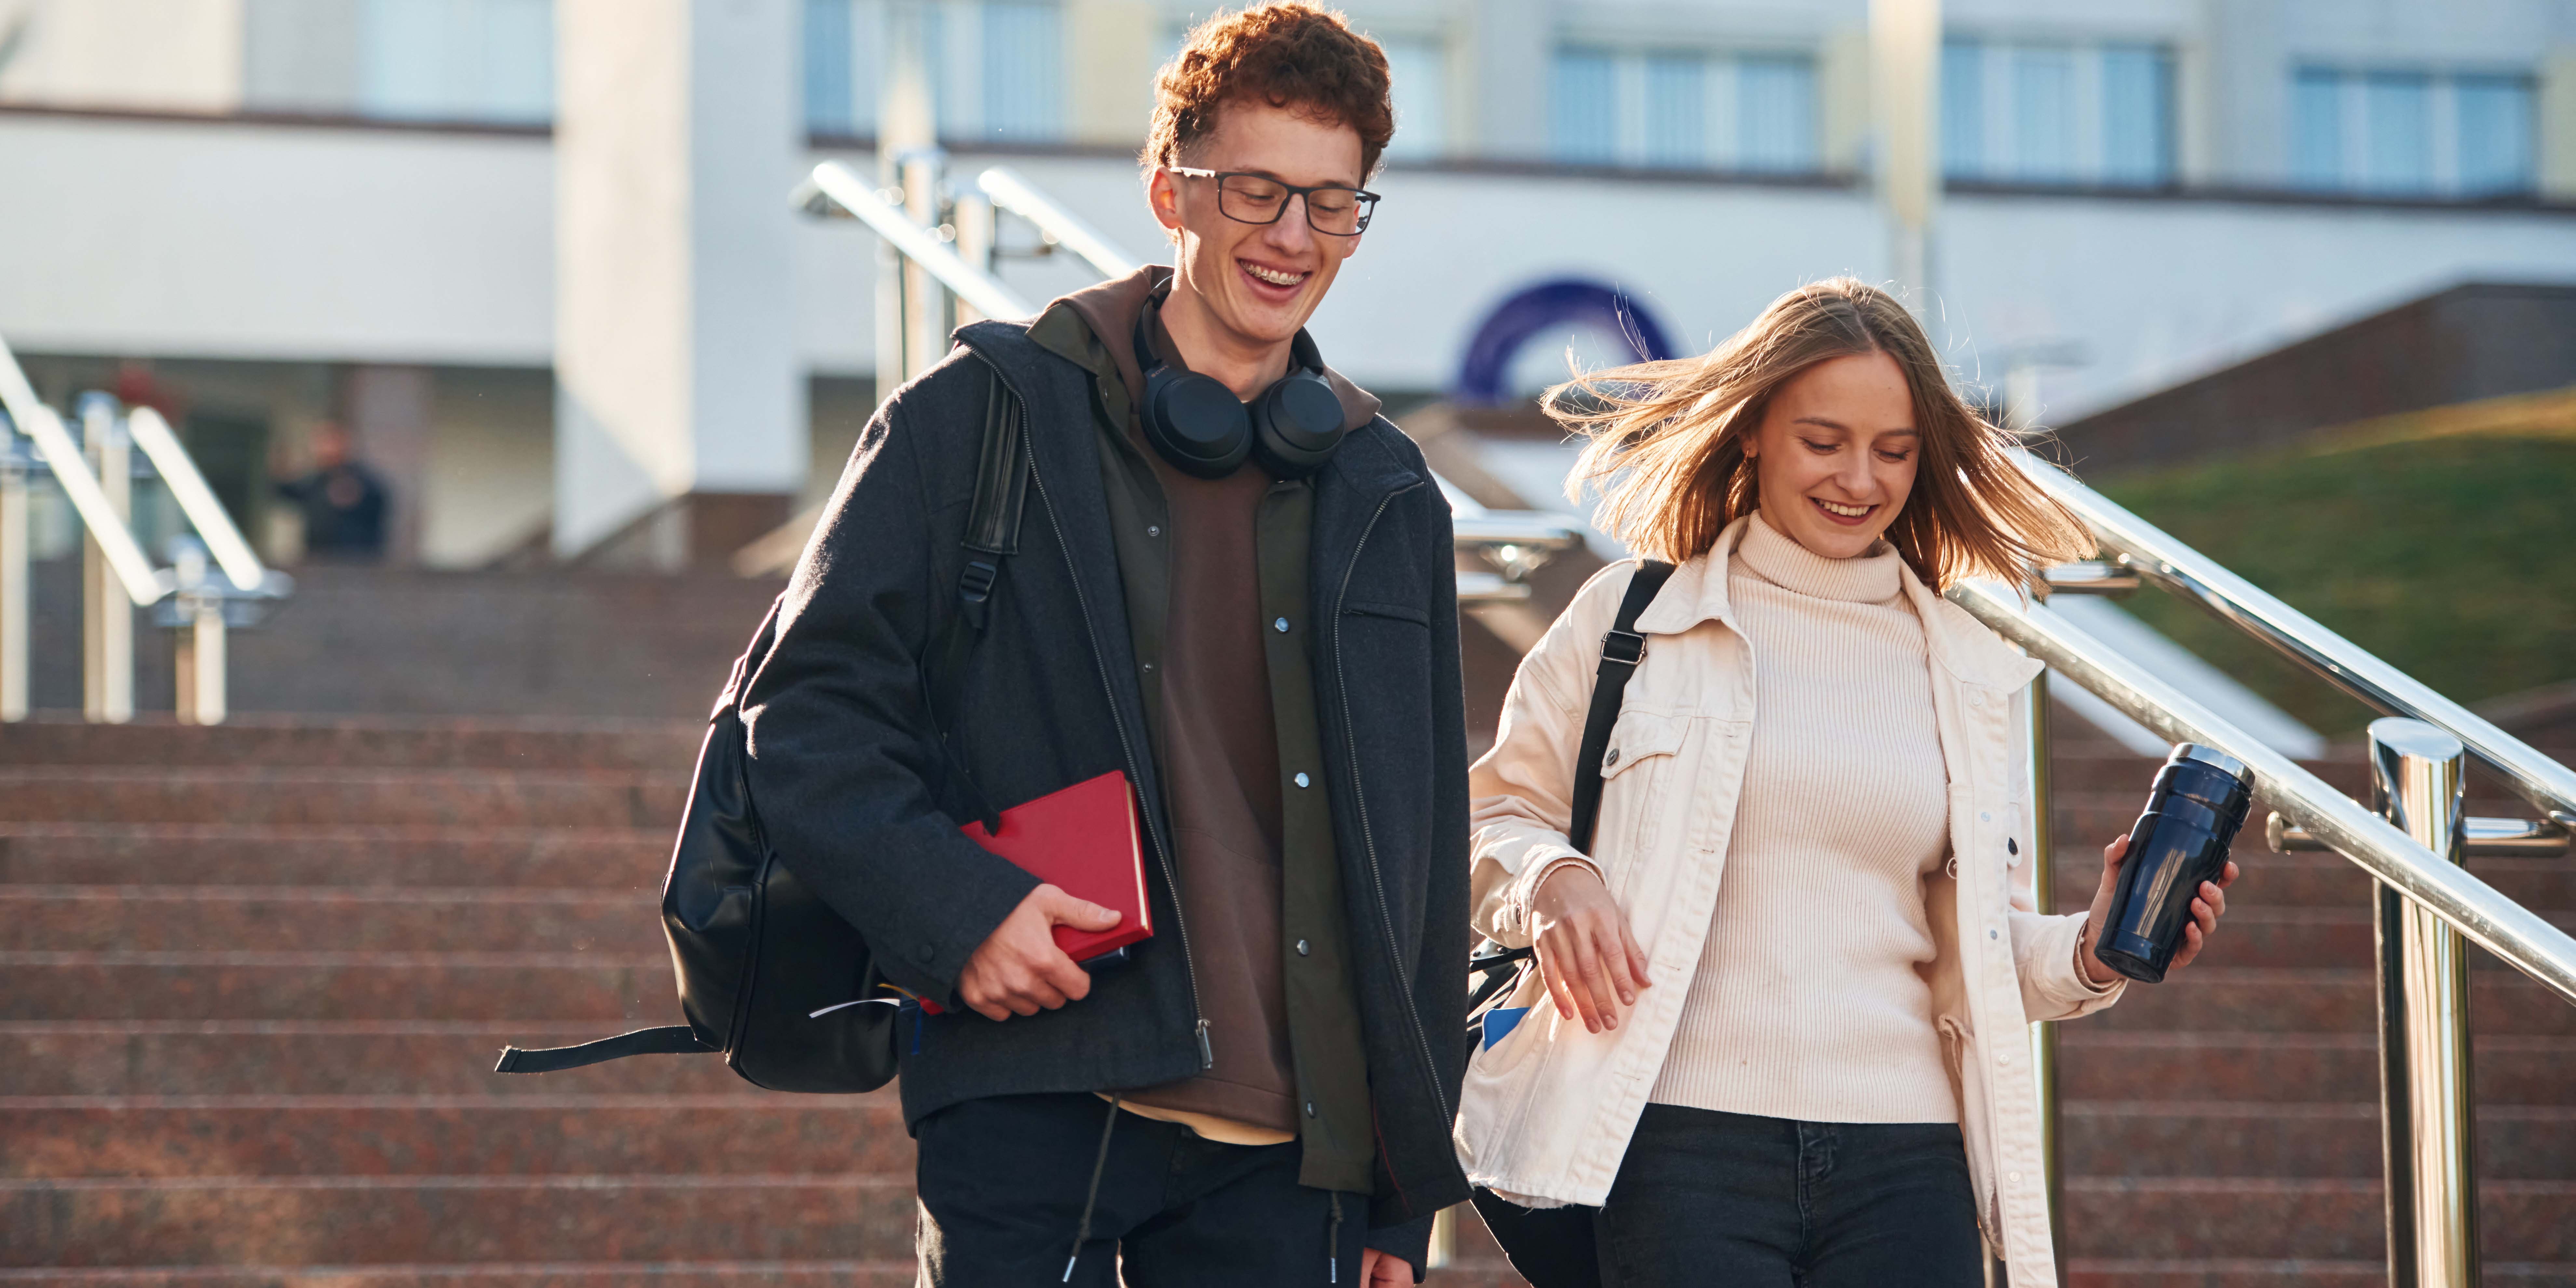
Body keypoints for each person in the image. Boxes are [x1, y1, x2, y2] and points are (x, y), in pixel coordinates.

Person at [738, 6, 1470, 1284]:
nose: (1293, 238)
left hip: (1299, 1155)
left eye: (1333, 203)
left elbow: (1422, 853)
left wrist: (1402, 1190)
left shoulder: (1386, 489)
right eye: (1255, 192)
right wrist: (959, 912)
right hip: (1041, 1091)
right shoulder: (979, 419)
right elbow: (801, 723)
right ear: (1167, 191)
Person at [1453, 279, 2238, 1287]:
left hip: (1907, 1159)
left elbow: (1982, 949)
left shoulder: (1964, 665)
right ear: (1754, 434)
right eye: (1823, 442)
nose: (1859, 480)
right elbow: (1487, 815)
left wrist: (2094, 950)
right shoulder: (1633, 619)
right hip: (1681, 1142)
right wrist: (1555, 881)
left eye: (1895, 450)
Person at [273, 420, 387, 561]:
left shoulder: (364, 482)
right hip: (317, 558)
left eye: (330, 443)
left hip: (354, 563)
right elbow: (290, 493)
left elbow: (377, 507)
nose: (322, 449)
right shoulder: (317, 480)